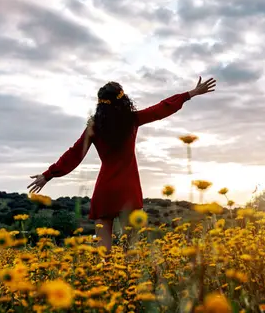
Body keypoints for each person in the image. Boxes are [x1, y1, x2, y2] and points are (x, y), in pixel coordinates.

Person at [28, 77, 216, 252]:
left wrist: (48, 175)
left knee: (104, 253)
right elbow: (161, 108)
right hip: (128, 189)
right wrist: (190, 94)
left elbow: (74, 154)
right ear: (122, 99)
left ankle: (104, 283)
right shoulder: (132, 120)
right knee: (131, 250)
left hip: (105, 190)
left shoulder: (94, 127)